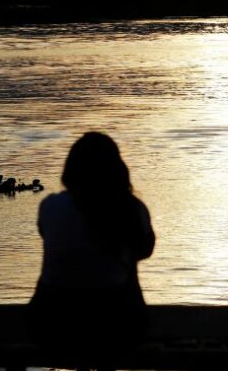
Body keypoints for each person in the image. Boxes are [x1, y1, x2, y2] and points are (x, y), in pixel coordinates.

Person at [29, 132, 155, 357]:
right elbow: (145, 250)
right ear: (117, 169)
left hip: (51, 327)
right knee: (126, 271)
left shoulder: (50, 206)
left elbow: (47, 235)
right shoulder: (132, 209)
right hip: (116, 330)